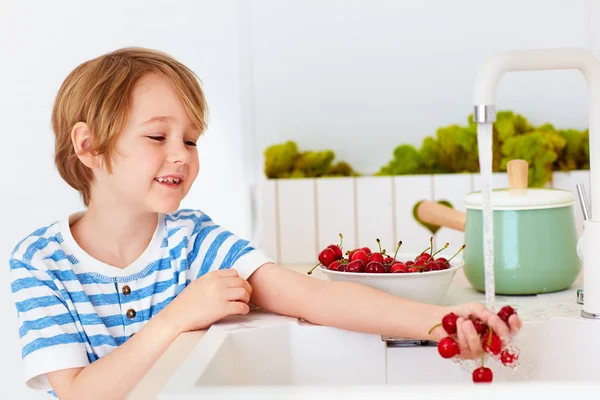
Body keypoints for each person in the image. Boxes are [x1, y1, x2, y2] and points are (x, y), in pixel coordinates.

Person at [9, 47, 522, 399]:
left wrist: (439, 324)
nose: (181, 156)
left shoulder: (194, 241)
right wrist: (176, 317)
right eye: (156, 137)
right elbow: (77, 390)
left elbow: (312, 296)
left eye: (190, 140)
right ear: (88, 146)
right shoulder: (39, 261)